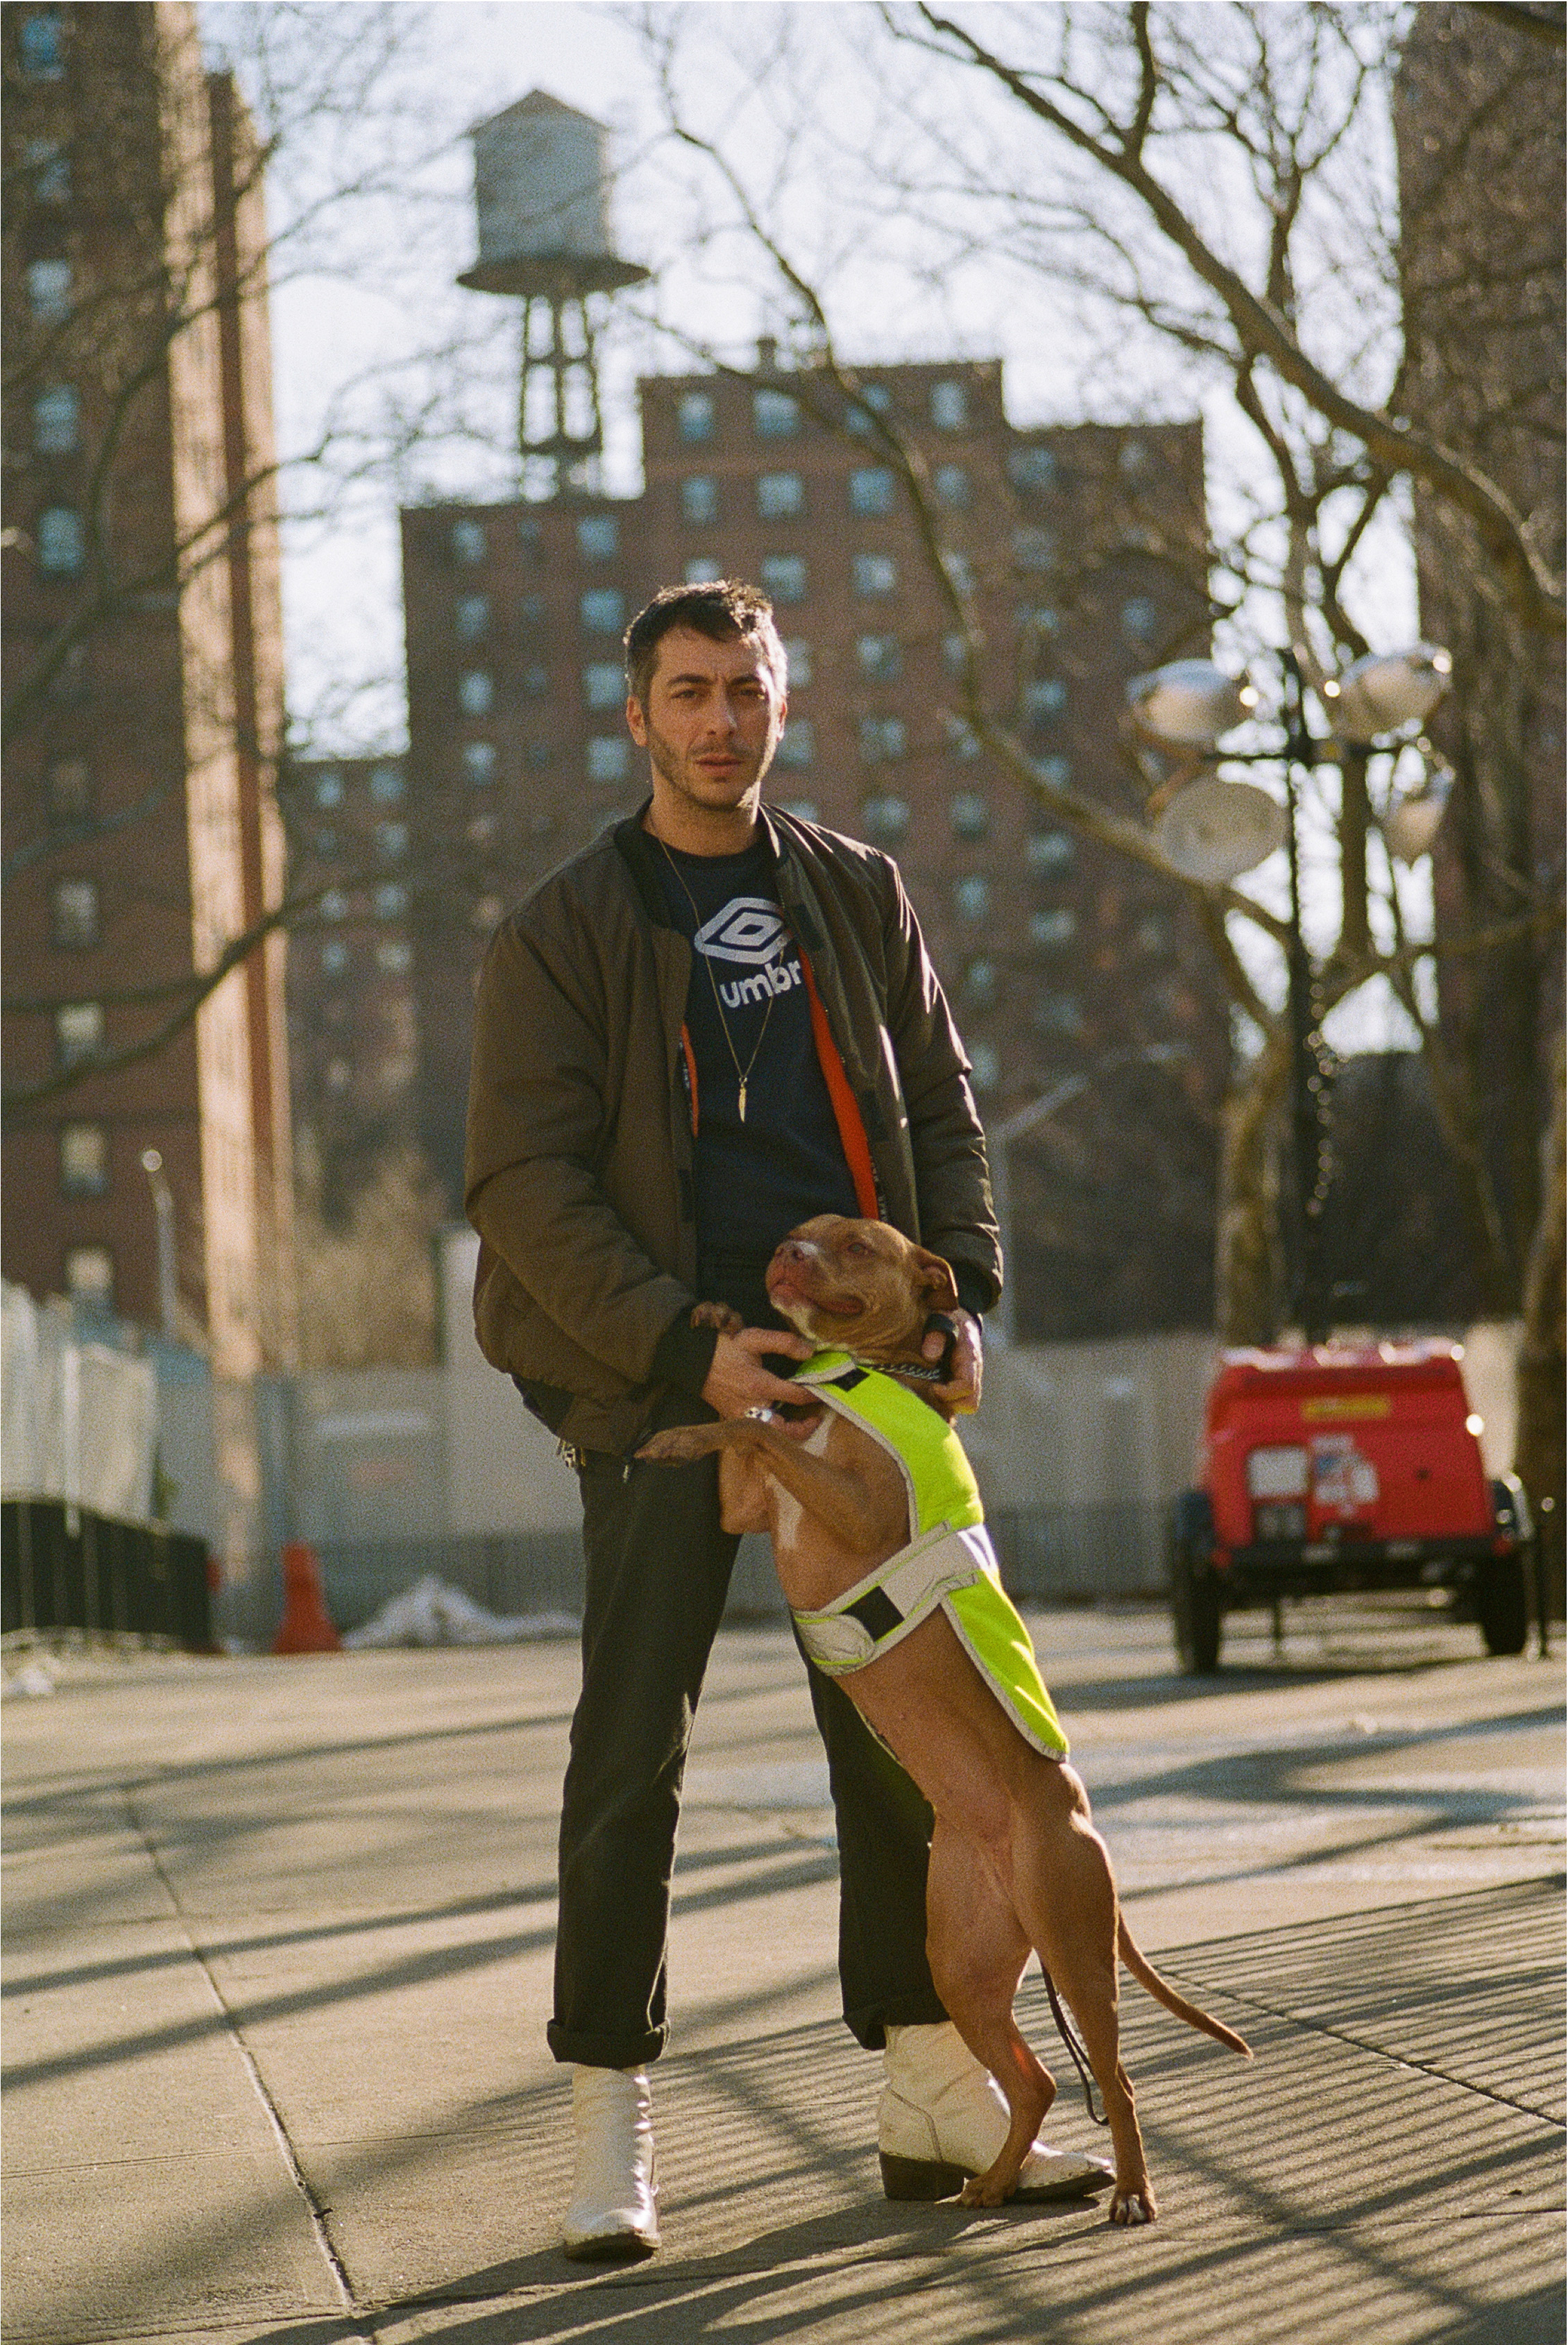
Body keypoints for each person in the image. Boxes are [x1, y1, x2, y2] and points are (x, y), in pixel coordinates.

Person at [464, 579, 1107, 2260]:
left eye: (744, 689)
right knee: (632, 1752)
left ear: (781, 702)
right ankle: (611, 2113)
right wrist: (688, 1344)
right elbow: (521, 1187)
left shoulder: (853, 891)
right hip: (667, 1375)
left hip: (853, 1388)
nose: (718, 721)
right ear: (637, 716)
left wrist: (954, 1290)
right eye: (687, 692)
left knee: (904, 1742)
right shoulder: (564, 926)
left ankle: (924, 2086)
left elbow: (943, 1109)